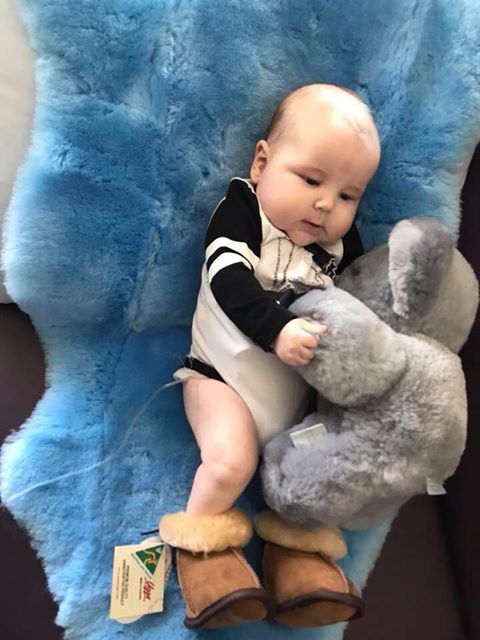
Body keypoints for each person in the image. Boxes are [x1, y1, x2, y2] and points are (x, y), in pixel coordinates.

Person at [160, 83, 381, 630]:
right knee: (233, 460)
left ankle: (298, 557)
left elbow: (360, 305)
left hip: (295, 404)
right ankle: (201, 550)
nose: (327, 204)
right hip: (221, 379)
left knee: (317, 472)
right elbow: (227, 279)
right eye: (310, 180)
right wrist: (277, 330)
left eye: (348, 196)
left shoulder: (337, 249)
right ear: (262, 163)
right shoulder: (242, 212)